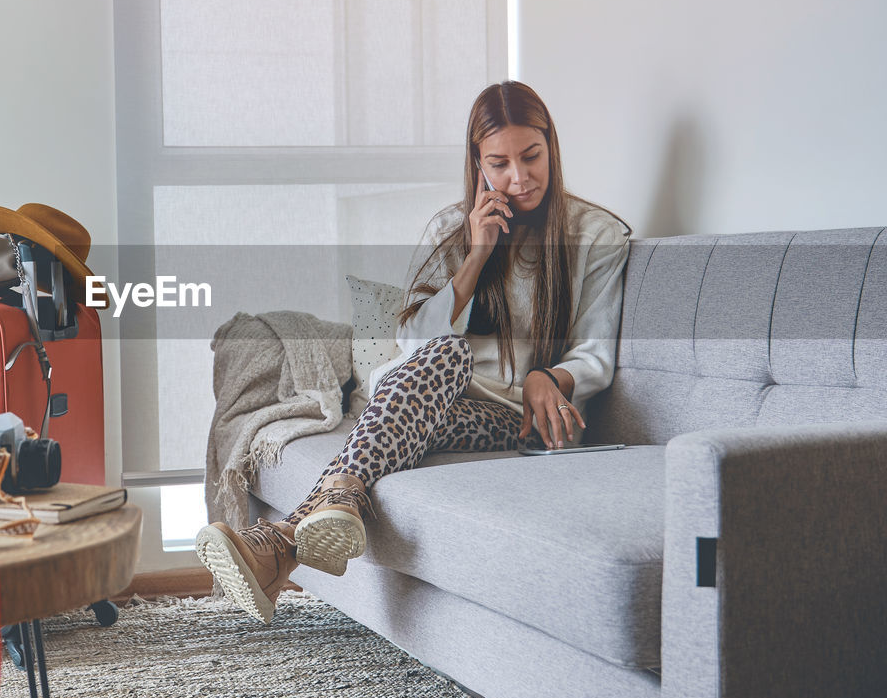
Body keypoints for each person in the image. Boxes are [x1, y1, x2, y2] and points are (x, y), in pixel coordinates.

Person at [195, 81, 632, 623]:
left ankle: (287, 535)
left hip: (516, 419)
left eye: (532, 156)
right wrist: (474, 259)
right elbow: (415, 345)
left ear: (553, 148)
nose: (518, 178)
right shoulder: (452, 228)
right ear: (477, 164)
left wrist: (553, 376)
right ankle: (303, 529)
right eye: (499, 163)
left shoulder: (598, 236)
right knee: (448, 355)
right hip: (430, 398)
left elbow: (596, 352)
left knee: (445, 365)